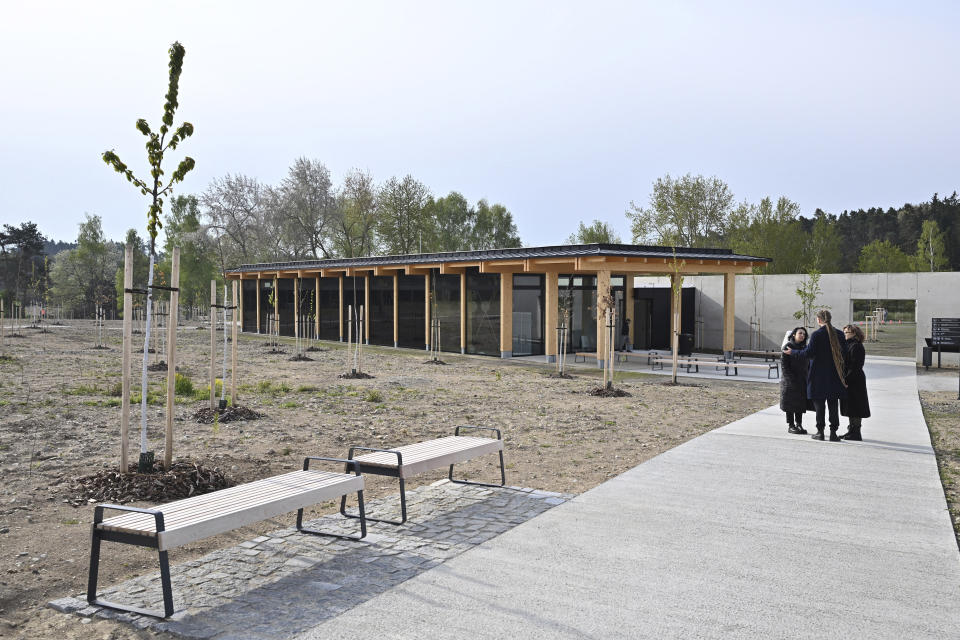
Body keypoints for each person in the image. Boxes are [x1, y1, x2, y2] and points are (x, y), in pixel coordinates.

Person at [783, 309, 848, 442]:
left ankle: (820, 432)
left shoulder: (817, 335)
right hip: (835, 375)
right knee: (833, 404)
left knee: (820, 406)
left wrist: (793, 352)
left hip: (818, 375)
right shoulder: (840, 334)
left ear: (819, 320)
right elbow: (845, 355)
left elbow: (808, 353)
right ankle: (834, 433)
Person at [840, 324, 870, 440]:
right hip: (850, 379)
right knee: (850, 406)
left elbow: (855, 366)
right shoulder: (848, 345)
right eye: (844, 332)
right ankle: (851, 430)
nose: (845, 334)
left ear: (854, 334)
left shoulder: (856, 346)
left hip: (854, 380)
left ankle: (856, 432)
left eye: (846, 332)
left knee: (855, 406)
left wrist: (846, 380)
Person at [780, 327, 810, 434]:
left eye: (804, 334)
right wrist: (790, 380)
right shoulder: (788, 346)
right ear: (794, 334)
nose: (802, 335)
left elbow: (808, 364)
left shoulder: (805, 348)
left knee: (800, 404)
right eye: (800, 333)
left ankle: (799, 424)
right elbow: (784, 366)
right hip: (790, 381)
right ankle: (791, 425)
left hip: (802, 380)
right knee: (790, 403)